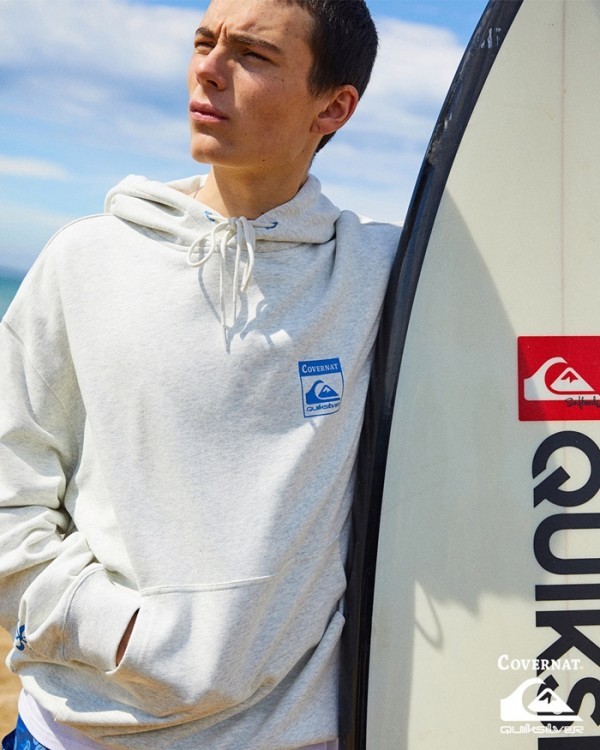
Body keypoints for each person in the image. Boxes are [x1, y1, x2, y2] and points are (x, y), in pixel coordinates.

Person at [0, 0, 400, 748]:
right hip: (77, 730)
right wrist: (107, 628)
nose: (208, 70)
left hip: (294, 734)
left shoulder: (383, 274)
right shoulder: (85, 261)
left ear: (334, 107)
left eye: (253, 55)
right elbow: (9, 481)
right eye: (204, 42)